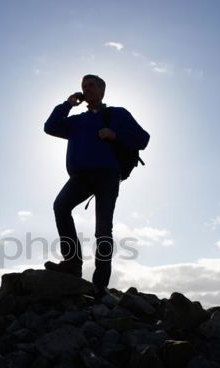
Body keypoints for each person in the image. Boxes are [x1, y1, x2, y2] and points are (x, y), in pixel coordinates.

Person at [43, 74, 149, 296]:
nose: (86, 89)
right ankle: (72, 265)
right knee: (60, 207)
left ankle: (100, 284)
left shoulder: (117, 114)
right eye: (83, 86)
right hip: (79, 177)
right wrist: (67, 105)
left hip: (107, 176)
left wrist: (115, 134)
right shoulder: (76, 122)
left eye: (91, 85)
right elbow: (50, 127)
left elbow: (143, 139)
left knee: (102, 228)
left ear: (102, 90)